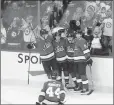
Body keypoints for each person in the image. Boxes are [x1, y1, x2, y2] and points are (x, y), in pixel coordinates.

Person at [74, 30, 93, 94]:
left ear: (81, 34)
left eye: (78, 34)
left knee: (82, 74)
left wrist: (88, 58)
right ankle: (80, 86)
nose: (77, 35)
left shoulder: (82, 40)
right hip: (75, 60)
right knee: (77, 74)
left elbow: (86, 50)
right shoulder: (75, 40)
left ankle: (85, 87)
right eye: (76, 34)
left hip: (81, 61)